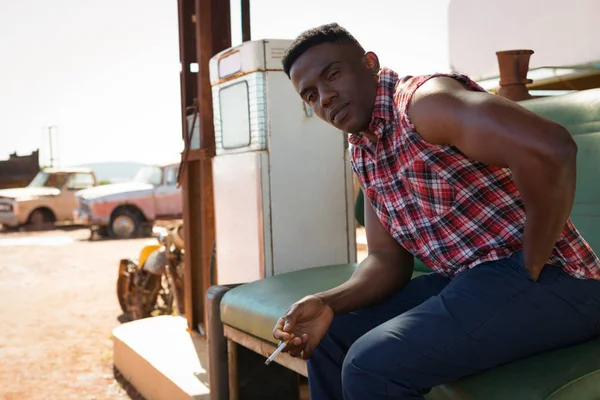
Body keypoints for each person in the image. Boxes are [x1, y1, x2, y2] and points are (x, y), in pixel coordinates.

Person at [271, 22, 600, 400]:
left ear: (370, 63)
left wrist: (528, 263)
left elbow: (551, 147)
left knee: (371, 365)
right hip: (468, 279)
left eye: (332, 75)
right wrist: (328, 302)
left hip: (560, 285)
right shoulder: (362, 149)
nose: (324, 99)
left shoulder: (424, 104)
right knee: (332, 336)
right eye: (310, 96)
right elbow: (386, 260)